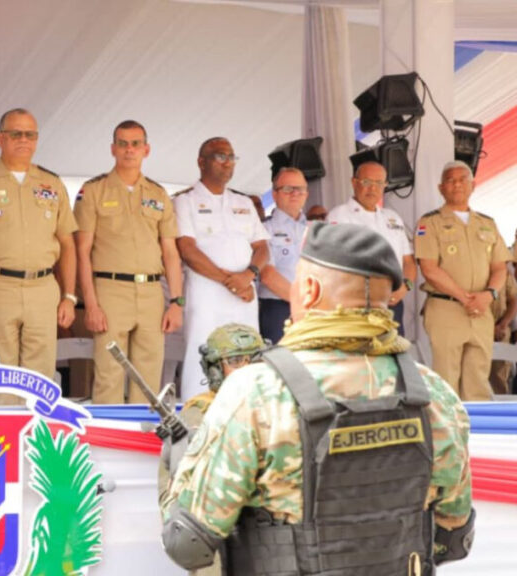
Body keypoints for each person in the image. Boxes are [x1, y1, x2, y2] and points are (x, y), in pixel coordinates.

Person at [162, 222, 474, 575]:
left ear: (308, 290)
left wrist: (179, 459)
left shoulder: (257, 391)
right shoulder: (433, 394)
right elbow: (452, 536)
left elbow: (187, 544)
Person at [0, 108, 77, 401]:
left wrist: (70, 297)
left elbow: (67, 244)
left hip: (43, 288)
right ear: (0, 138)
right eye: (15, 133)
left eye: (30, 134)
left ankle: (35, 442)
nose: (23, 140)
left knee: (40, 378)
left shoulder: (52, 183)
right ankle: (1, 443)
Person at [73, 120, 182, 404]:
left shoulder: (158, 195)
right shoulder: (93, 190)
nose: (129, 150)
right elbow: (81, 251)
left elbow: (170, 253)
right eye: (122, 143)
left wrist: (177, 302)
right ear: (113, 149)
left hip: (150, 292)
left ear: (146, 150)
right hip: (110, 289)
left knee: (148, 377)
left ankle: (141, 442)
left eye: (135, 144)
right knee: (109, 373)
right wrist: (91, 304)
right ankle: (107, 444)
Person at [158, 322, 264, 576]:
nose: (246, 368)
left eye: (255, 360)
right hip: (216, 535)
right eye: (236, 361)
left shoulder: (274, 405)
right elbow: (175, 494)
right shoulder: (199, 414)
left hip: (265, 536)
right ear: (215, 370)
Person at [173, 137, 269, 400]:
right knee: (202, 354)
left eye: (231, 157)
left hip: (245, 295)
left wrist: (247, 276)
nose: (228, 162)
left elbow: (262, 248)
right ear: (201, 162)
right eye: (220, 156)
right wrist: (232, 281)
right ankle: (198, 415)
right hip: (207, 295)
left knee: (247, 353)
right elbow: (188, 250)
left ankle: (248, 411)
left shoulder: (244, 202)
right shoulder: (185, 201)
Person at [416, 161, 509, 401]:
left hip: (482, 310)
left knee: (478, 380)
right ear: (440, 188)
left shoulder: (487, 224)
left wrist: (488, 295)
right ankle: (449, 437)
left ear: (473, 185)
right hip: (447, 308)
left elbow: (500, 268)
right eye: (450, 180)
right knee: (447, 381)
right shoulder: (430, 223)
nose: (457, 184)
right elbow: (429, 268)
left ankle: (477, 437)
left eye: (462, 179)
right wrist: (464, 297)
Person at [327, 161, 417, 333]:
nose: (373, 188)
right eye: (367, 182)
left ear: (385, 185)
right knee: (362, 358)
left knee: (394, 356)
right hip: (357, 306)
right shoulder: (339, 215)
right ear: (354, 182)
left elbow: (409, 262)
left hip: (392, 304)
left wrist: (405, 287)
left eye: (379, 183)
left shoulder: (392, 218)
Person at [258, 167, 308, 344]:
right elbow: (267, 275)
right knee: (280, 367)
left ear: (306, 193)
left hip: (312, 310)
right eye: (287, 189)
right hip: (278, 310)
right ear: (274, 194)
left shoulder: (315, 230)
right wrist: (302, 305)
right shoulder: (264, 230)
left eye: (300, 189)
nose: (295, 193)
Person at [489, 269, 517, 395]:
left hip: (500, 329)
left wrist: (503, 324)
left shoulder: (505, 275)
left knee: (499, 377)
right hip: (476, 329)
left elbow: (514, 300)